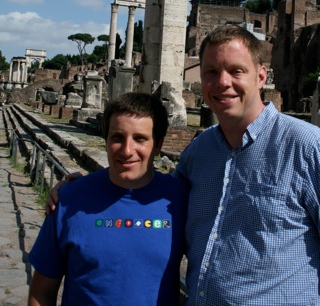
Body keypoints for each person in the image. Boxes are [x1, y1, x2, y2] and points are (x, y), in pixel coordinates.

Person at [175, 25, 320, 305]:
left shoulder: (307, 146)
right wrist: (74, 192)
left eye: (236, 71)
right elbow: (154, 201)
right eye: (211, 72)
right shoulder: (198, 152)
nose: (222, 82)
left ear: (261, 77)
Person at [28, 92, 189, 306]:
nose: (127, 150)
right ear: (105, 140)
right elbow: (41, 292)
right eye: (117, 137)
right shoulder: (68, 200)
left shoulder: (180, 199)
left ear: (158, 145)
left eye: (140, 139)